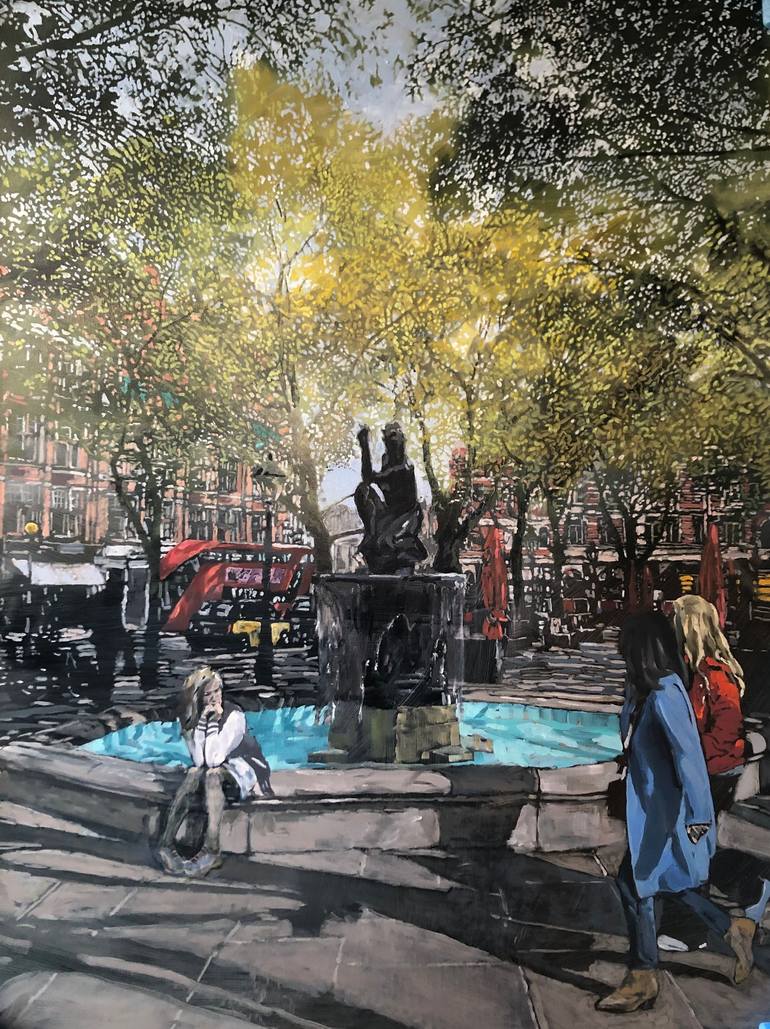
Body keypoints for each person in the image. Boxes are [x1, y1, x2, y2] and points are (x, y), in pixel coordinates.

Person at [597, 612, 754, 1014]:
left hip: (666, 814)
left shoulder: (666, 692)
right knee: (662, 883)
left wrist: (699, 817)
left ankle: (643, 975)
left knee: (636, 885)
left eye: (626, 651)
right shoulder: (645, 690)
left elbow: (689, 758)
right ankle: (731, 928)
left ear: (641, 651)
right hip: (650, 811)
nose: (622, 657)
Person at [656, 595, 770, 953]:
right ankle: (745, 890)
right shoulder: (697, 672)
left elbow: (723, 738)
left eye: (675, 624)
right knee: (693, 847)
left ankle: (692, 929)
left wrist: (685, 753)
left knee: (689, 847)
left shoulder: (713, 676)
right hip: (704, 771)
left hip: (712, 774)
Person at [157, 666, 273, 877]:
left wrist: (213, 722)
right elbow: (200, 759)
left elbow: (214, 759)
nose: (214, 698)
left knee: (211, 775)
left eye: (217, 691)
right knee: (194, 773)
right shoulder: (192, 718)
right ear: (198, 697)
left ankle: (212, 850)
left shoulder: (234, 716)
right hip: (215, 767)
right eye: (208, 694)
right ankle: (166, 844)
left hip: (243, 768)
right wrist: (203, 722)